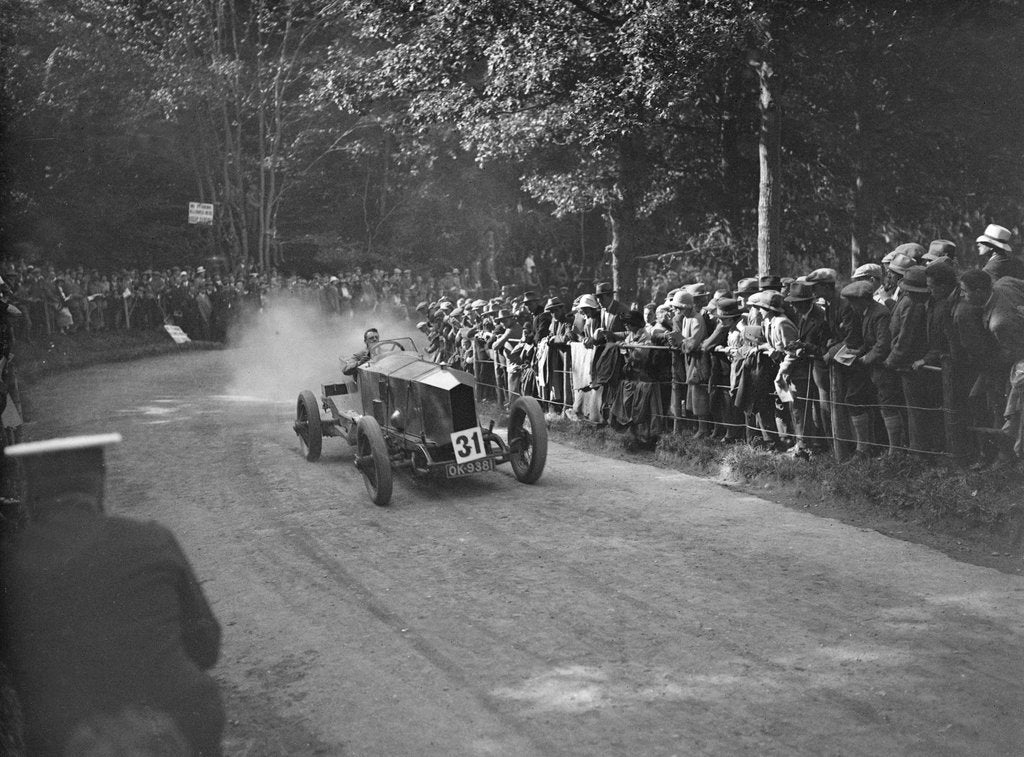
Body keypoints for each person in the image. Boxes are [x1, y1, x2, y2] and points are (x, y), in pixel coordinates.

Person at [1, 434, 224, 756]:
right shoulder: (152, 538)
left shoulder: (10, 565)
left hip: (66, 738)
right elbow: (207, 646)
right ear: (100, 481)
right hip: (180, 723)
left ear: (29, 491)